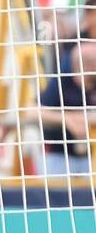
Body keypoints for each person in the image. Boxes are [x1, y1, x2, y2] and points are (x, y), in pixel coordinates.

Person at [35, 38, 96, 176]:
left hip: (90, 157)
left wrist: (87, 119)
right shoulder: (64, 76)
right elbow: (31, 110)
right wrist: (66, 118)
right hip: (59, 156)